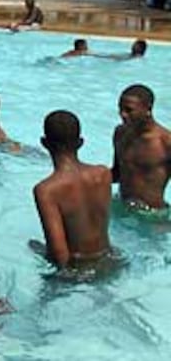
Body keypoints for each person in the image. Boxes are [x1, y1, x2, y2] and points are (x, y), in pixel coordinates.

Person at [32, 111, 112, 268]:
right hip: (109, 259)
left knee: (32, 245)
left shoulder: (46, 190)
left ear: (44, 143)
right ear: (81, 142)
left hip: (79, 269)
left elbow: (59, 252)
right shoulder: (103, 174)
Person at [112, 84, 171, 211]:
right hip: (122, 207)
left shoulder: (165, 142)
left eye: (129, 110)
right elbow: (117, 174)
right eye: (120, 109)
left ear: (148, 109)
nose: (123, 114)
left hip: (152, 216)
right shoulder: (120, 134)